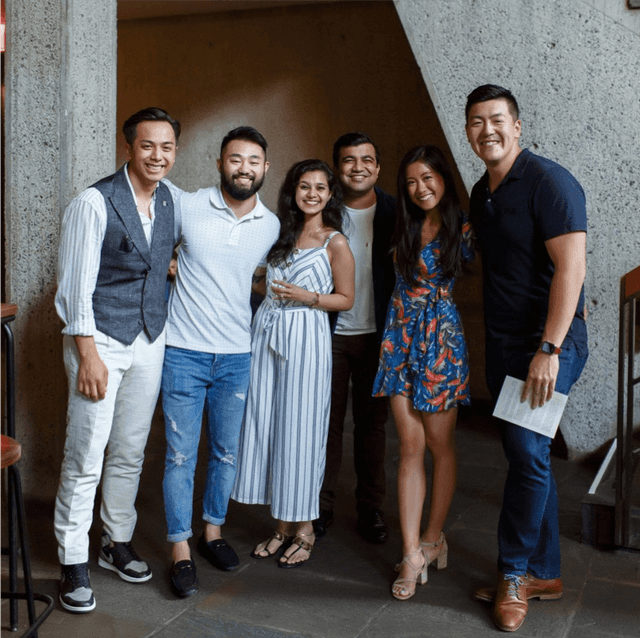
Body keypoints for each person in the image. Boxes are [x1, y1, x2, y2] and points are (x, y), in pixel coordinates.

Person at [464, 84, 588, 632]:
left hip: (550, 344)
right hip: (504, 343)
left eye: (497, 120)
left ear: (517, 126)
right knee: (528, 455)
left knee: (526, 450)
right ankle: (546, 571)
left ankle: (515, 572)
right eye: (476, 122)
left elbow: (572, 270)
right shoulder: (481, 192)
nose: (487, 130)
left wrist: (549, 349)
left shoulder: (549, 182)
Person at [54, 107, 180, 613]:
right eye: (148, 145)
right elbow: (74, 289)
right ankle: (72, 557)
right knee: (85, 453)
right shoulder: (94, 201)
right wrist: (86, 355)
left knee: (129, 449)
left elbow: (163, 256)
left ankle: (115, 542)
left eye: (167, 146)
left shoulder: (170, 198)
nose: (158, 155)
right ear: (128, 147)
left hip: (150, 338)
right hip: (99, 338)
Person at [162, 126, 280, 597]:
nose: (244, 168)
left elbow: (256, 281)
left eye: (253, 160)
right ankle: (180, 548)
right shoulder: (189, 206)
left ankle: (212, 531)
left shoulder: (269, 225)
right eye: (235, 159)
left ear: (265, 169)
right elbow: (157, 252)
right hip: (183, 352)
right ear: (219, 163)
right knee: (179, 454)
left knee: (226, 452)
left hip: (237, 354)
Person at [232, 159, 355, 568]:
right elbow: (263, 280)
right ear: (293, 191)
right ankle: (282, 525)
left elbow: (347, 298)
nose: (313, 194)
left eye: (321, 188)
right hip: (266, 333)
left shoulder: (334, 241)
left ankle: (305, 528)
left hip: (307, 337)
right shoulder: (280, 234)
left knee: (302, 430)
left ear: (330, 194)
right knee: (269, 425)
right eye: (305, 186)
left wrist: (308, 298)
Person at [373, 145, 474, 600]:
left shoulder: (466, 228)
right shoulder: (403, 223)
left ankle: (434, 539)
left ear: (444, 179)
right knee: (409, 446)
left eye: (428, 177)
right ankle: (411, 552)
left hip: (442, 344)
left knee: (439, 446)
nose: (420, 187)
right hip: (398, 340)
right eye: (412, 181)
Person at [313, 133, 396, 544]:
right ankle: (320, 507)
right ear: (337, 167)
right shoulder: (321, 212)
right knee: (325, 425)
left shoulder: (397, 212)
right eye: (348, 160)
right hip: (329, 335)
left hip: (378, 338)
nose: (358, 167)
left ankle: (370, 508)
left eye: (367, 159)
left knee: (372, 427)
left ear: (377, 168)